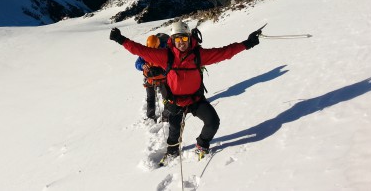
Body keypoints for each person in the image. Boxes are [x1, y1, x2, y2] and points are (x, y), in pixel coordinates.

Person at [110, 20, 261, 161]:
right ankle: (172, 151)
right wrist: (121, 39)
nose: (181, 43)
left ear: (190, 39)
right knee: (174, 130)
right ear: (173, 41)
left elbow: (224, 53)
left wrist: (247, 44)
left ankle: (202, 144)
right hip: (175, 101)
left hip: (196, 100)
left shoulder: (198, 56)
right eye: (178, 40)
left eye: (184, 39)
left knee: (213, 122)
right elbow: (141, 50)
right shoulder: (165, 56)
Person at [135, 34, 168, 121]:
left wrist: (161, 71)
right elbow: (137, 63)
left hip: (162, 80)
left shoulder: (164, 51)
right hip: (150, 79)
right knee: (150, 98)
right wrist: (142, 65)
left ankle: (166, 116)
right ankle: (150, 115)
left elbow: (170, 66)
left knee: (167, 98)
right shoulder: (145, 52)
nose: (151, 51)